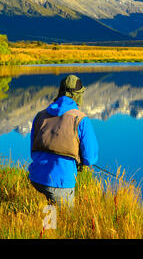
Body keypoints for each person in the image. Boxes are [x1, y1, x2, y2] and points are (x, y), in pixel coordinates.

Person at [28, 75, 98, 207]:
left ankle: (46, 225)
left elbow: (33, 150)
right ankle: (50, 227)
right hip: (60, 183)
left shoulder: (40, 115)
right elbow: (90, 158)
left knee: (50, 211)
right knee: (65, 221)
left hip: (36, 178)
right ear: (78, 95)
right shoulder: (81, 120)